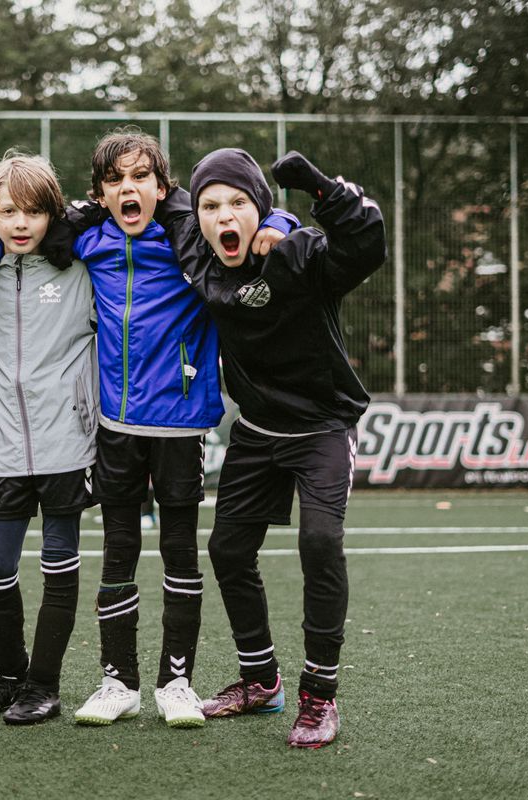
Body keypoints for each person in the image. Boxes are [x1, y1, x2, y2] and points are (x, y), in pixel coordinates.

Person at [0, 128, 295, 729]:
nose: (127, 188)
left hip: (181, 425)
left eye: (141, 177)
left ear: (163, 188)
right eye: (114, 181)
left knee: (180, 555)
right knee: (118, 554)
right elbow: (10, 237)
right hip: (114, 427)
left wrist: (282, 222)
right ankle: (119, 682)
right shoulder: (88, 243)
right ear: (99, 194)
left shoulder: (190, 237)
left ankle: (176, 683)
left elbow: (246, 220)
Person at [156, 147, 386, 748]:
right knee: (228, 550)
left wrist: (319, 189)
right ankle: (261, 680)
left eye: (238, 203)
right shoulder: (198, 255)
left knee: (320, 542)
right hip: (257, 430)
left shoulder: (299, 253)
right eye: (211, 206)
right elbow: (159, 198)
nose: (223, 215)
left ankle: (320, 695)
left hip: (321, 428)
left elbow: (366, 243)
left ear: (260, 207)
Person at [0, 152, 96, 725]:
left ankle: (44, 686)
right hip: (4, 453)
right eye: (8, 211)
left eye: (33, 211)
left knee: (59, 567)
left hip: (68, 446)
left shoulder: (80, 268)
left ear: (52, 214)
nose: (20, 222)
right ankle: (10, 678)